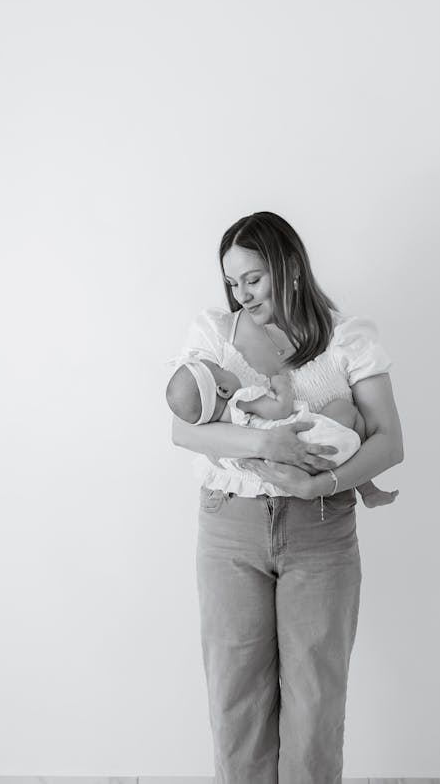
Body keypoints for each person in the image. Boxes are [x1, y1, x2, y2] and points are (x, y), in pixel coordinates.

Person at [168, 210, 404, 784]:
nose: (241, 293)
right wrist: (266, 443)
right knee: (236, 705)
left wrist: (318, 482)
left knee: (315, 707)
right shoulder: (212, 335)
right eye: (232, 282)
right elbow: (184, 430)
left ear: (288, 265)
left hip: (321, 526)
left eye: (253, 278)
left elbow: (389, 441)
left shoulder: (348, 336)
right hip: (230, 528)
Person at [166, 354, 398, 508]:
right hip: (304, 439)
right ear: (224, 389)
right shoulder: (240, 401)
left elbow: (220, 460)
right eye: (220, 368)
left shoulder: (220, 442)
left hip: (279, 470)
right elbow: (280, 410)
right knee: (347, 412)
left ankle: (362, 487)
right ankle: (367, 487)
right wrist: (281, 385)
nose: (225, 367)